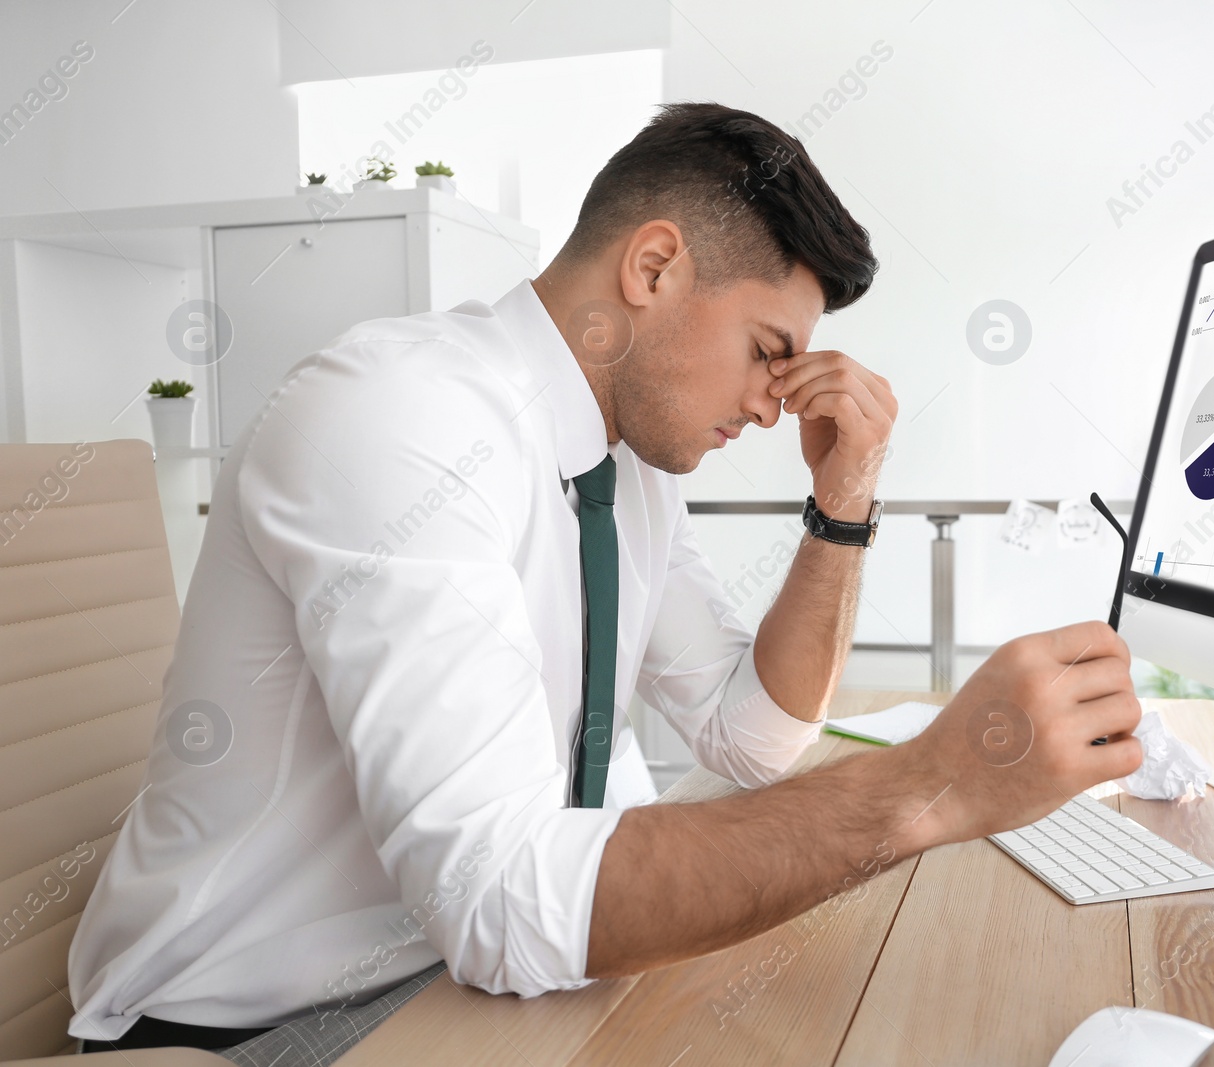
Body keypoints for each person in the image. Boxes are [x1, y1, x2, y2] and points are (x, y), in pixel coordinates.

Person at [69, 102, 1142, 1059]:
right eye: (769, 348)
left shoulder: (623, 466)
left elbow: (754, 734)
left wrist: (844, 499)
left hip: (461, 974)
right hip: (254, 1025)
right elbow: (495, 899)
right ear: (655, 267)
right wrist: (931, 784)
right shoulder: (401, 416)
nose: (778, 402)